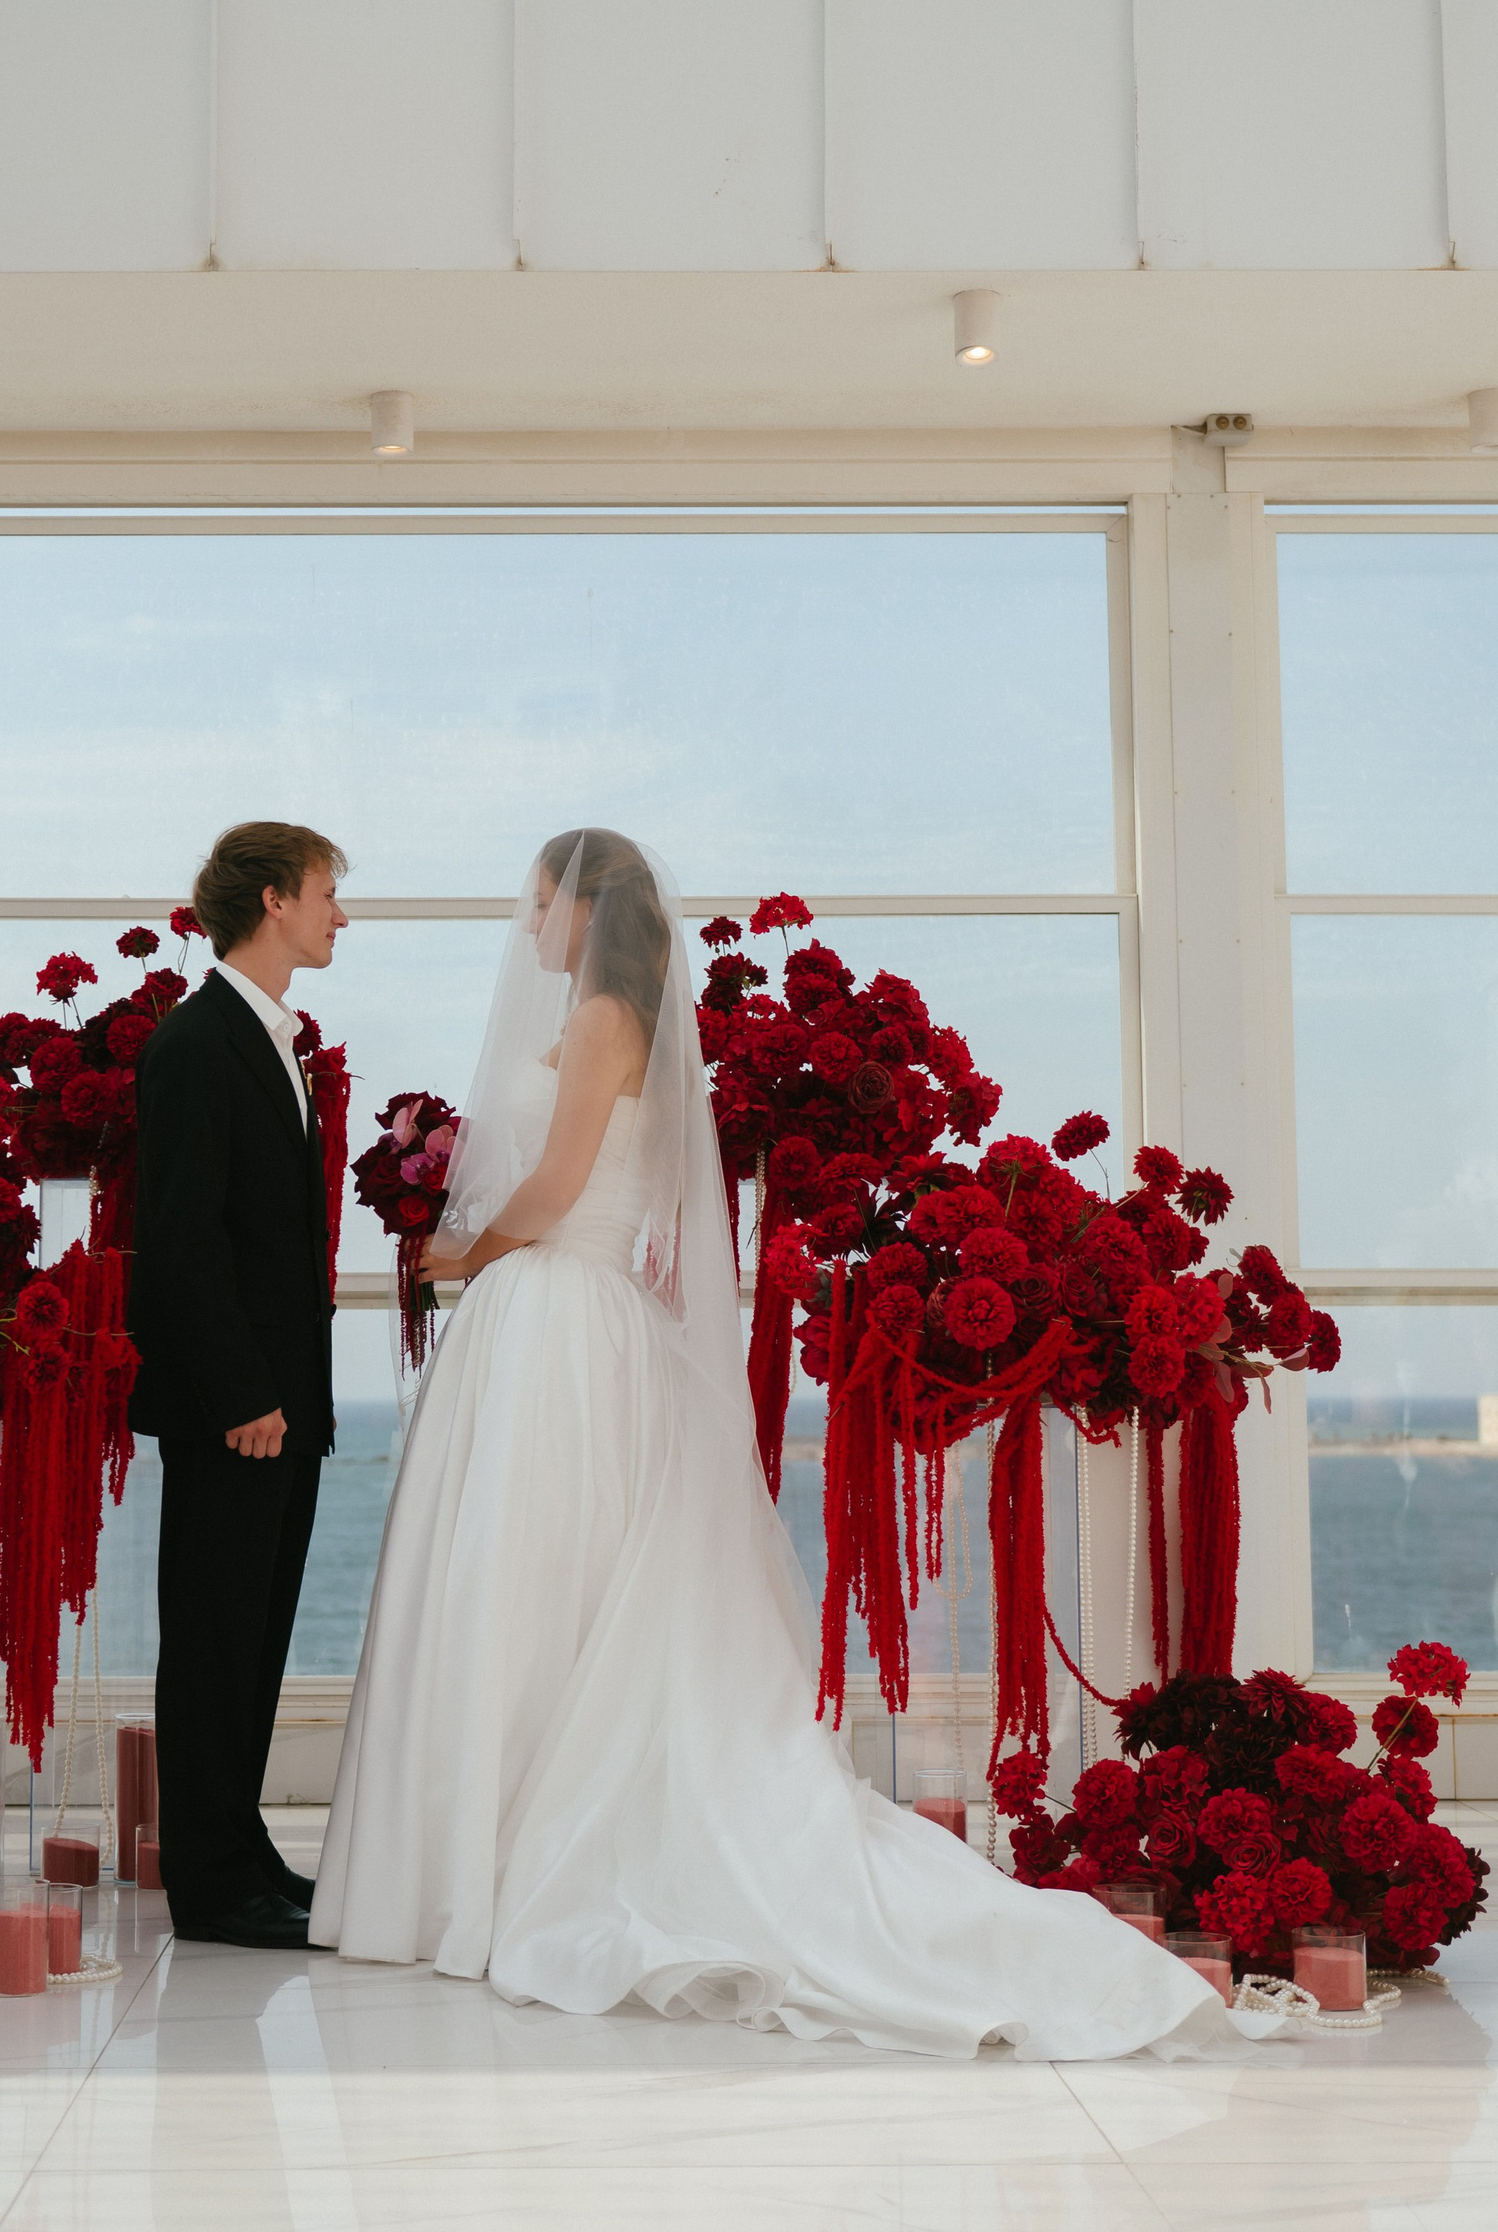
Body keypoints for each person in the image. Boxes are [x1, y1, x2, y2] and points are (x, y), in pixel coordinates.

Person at [312, 830, 1278, 2059]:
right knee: (536, 1580)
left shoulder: (604, 1018)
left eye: (541, 902)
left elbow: (556, 1188)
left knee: (529, 1577)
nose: (529, 924)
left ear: (585, 906)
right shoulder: (621, 1021)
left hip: (560, 1309)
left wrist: (456, 1252)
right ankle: (487, 1848)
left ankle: (488, 1860)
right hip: (560, 1315)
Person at [129, 819, 348, 1949]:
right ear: (273, 900)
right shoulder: (196, 1042)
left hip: (283, 1404)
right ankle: (210, 1885)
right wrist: (241, 1395)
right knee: (215, 1637)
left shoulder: (267, 1038)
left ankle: (238, 1848)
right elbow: (182, 1241)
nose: (338, 915)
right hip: (240, 1409)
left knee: (254, 1638)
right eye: (326, 893)